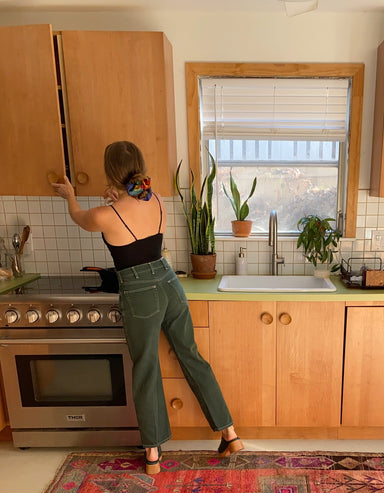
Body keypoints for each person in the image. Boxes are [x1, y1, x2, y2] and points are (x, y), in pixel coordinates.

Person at [52, 141, 243, 474]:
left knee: (146, 367)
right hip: (169, 282)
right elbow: (137, 215)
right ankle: (230, 433)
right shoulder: (155, 198)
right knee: (192, 357)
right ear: (139, 166)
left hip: (139, 292)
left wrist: (70, 194)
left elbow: (79, 218)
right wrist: (119, 199)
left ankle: (153, 454)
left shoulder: (103, 215)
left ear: (109, 173)